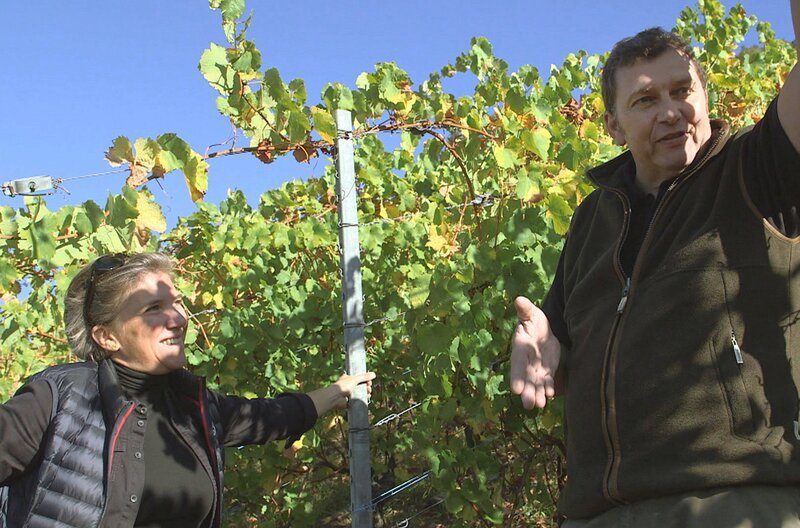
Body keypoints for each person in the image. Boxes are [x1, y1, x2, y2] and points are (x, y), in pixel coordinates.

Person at [510, 2, 800, 526]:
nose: (670, 111)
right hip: (594, 513)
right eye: (645, 100)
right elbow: (557, 327)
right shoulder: (593, 217)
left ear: (706, 98)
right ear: (613, 126)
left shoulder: (756, 171)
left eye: (682, 91)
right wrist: (544, 344)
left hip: (735, 501)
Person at [0, 252, 375, 528]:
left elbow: (269, 417)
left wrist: (339, 390)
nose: (178, 318)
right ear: (107, 336)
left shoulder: (193, 405)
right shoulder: (59, 399)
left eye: (177, 303)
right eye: (154, 308)